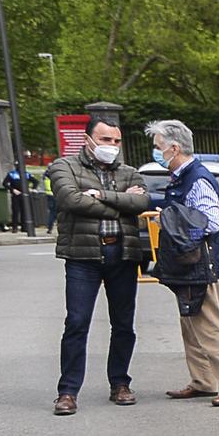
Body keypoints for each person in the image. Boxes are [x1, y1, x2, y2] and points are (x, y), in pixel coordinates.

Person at [47, 117, 150, 415]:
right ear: (88, 139)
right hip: (83, 257)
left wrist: (102, 195)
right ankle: (67, 391)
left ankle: (120, 383)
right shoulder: (64, 167)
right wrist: (120, 204)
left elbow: (141, 204)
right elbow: (70, 200)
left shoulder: (130, 172)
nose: (112, 147)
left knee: (123, 324)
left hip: (123, 254)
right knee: (77, 323)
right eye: (106, 140)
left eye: (116, 141)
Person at [146, 120, 219, 407]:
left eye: (159, 147)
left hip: (201, 263)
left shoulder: (197, 178)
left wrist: (171, 223)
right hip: (189, 264)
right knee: (191, 324)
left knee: (210, 326)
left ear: (174, 148)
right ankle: (204, 381)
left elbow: (209, 222)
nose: (156, 153)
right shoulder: (184, 177)